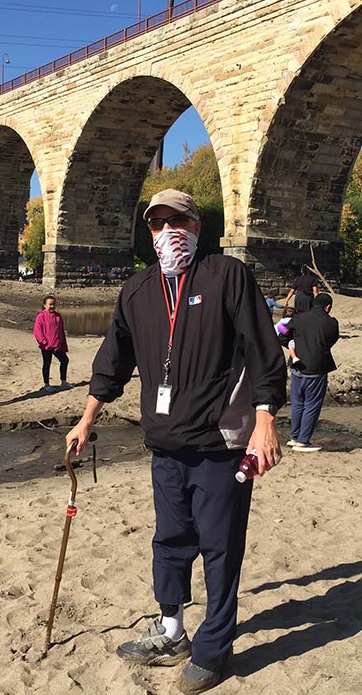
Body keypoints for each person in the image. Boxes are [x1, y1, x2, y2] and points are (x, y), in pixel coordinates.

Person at [66, 188, 286, 694]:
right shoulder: (137, 291)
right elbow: (112, 363)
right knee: (170, 541)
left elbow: (262, 350)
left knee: (220, 548)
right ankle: (170, 631)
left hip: (221, 445)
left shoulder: (227, 275)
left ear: (197, 225)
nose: (168, 231)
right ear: (148, 233)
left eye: (178, 220)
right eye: (158, 223)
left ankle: (214, 650)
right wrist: (86, 419)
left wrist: (265, 420)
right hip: (164, 445)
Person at [285, 293, 339, 452]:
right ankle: (303, 441)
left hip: (297, 366)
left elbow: (282, 332)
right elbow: (331, 341)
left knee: (297, 403)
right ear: (328, 307)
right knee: (312, 405)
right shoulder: (331, 323)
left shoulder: (298, 318)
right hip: (317, 367)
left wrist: (291, 347)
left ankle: (294, 437)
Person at [33, 295, 70, 391]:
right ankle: (46, 384)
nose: (52, 306)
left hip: (57, 345)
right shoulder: (41, 317)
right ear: (45, 305)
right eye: (50, 304)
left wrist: (62, 343)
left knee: (65, 360)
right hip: (46, 346)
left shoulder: (58, 316)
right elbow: (37, 331)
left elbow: (60, 331)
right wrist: (44, 342)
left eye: (54, 304)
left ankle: (64, 382)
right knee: (47, 363)